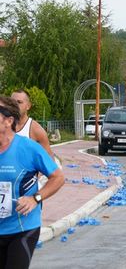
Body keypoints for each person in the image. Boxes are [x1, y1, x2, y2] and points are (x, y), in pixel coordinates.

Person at [0, 96, 64, 268]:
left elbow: (58, 177)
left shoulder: (28, 148)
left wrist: (35, 199)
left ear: (8, 121)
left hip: (22, 228)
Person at [11, 89, 54, 158]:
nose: (15, 105)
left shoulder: (36, 130)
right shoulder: (3, 125)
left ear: (28, 106)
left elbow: (49, 161)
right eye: (12, 102)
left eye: (19, 102)